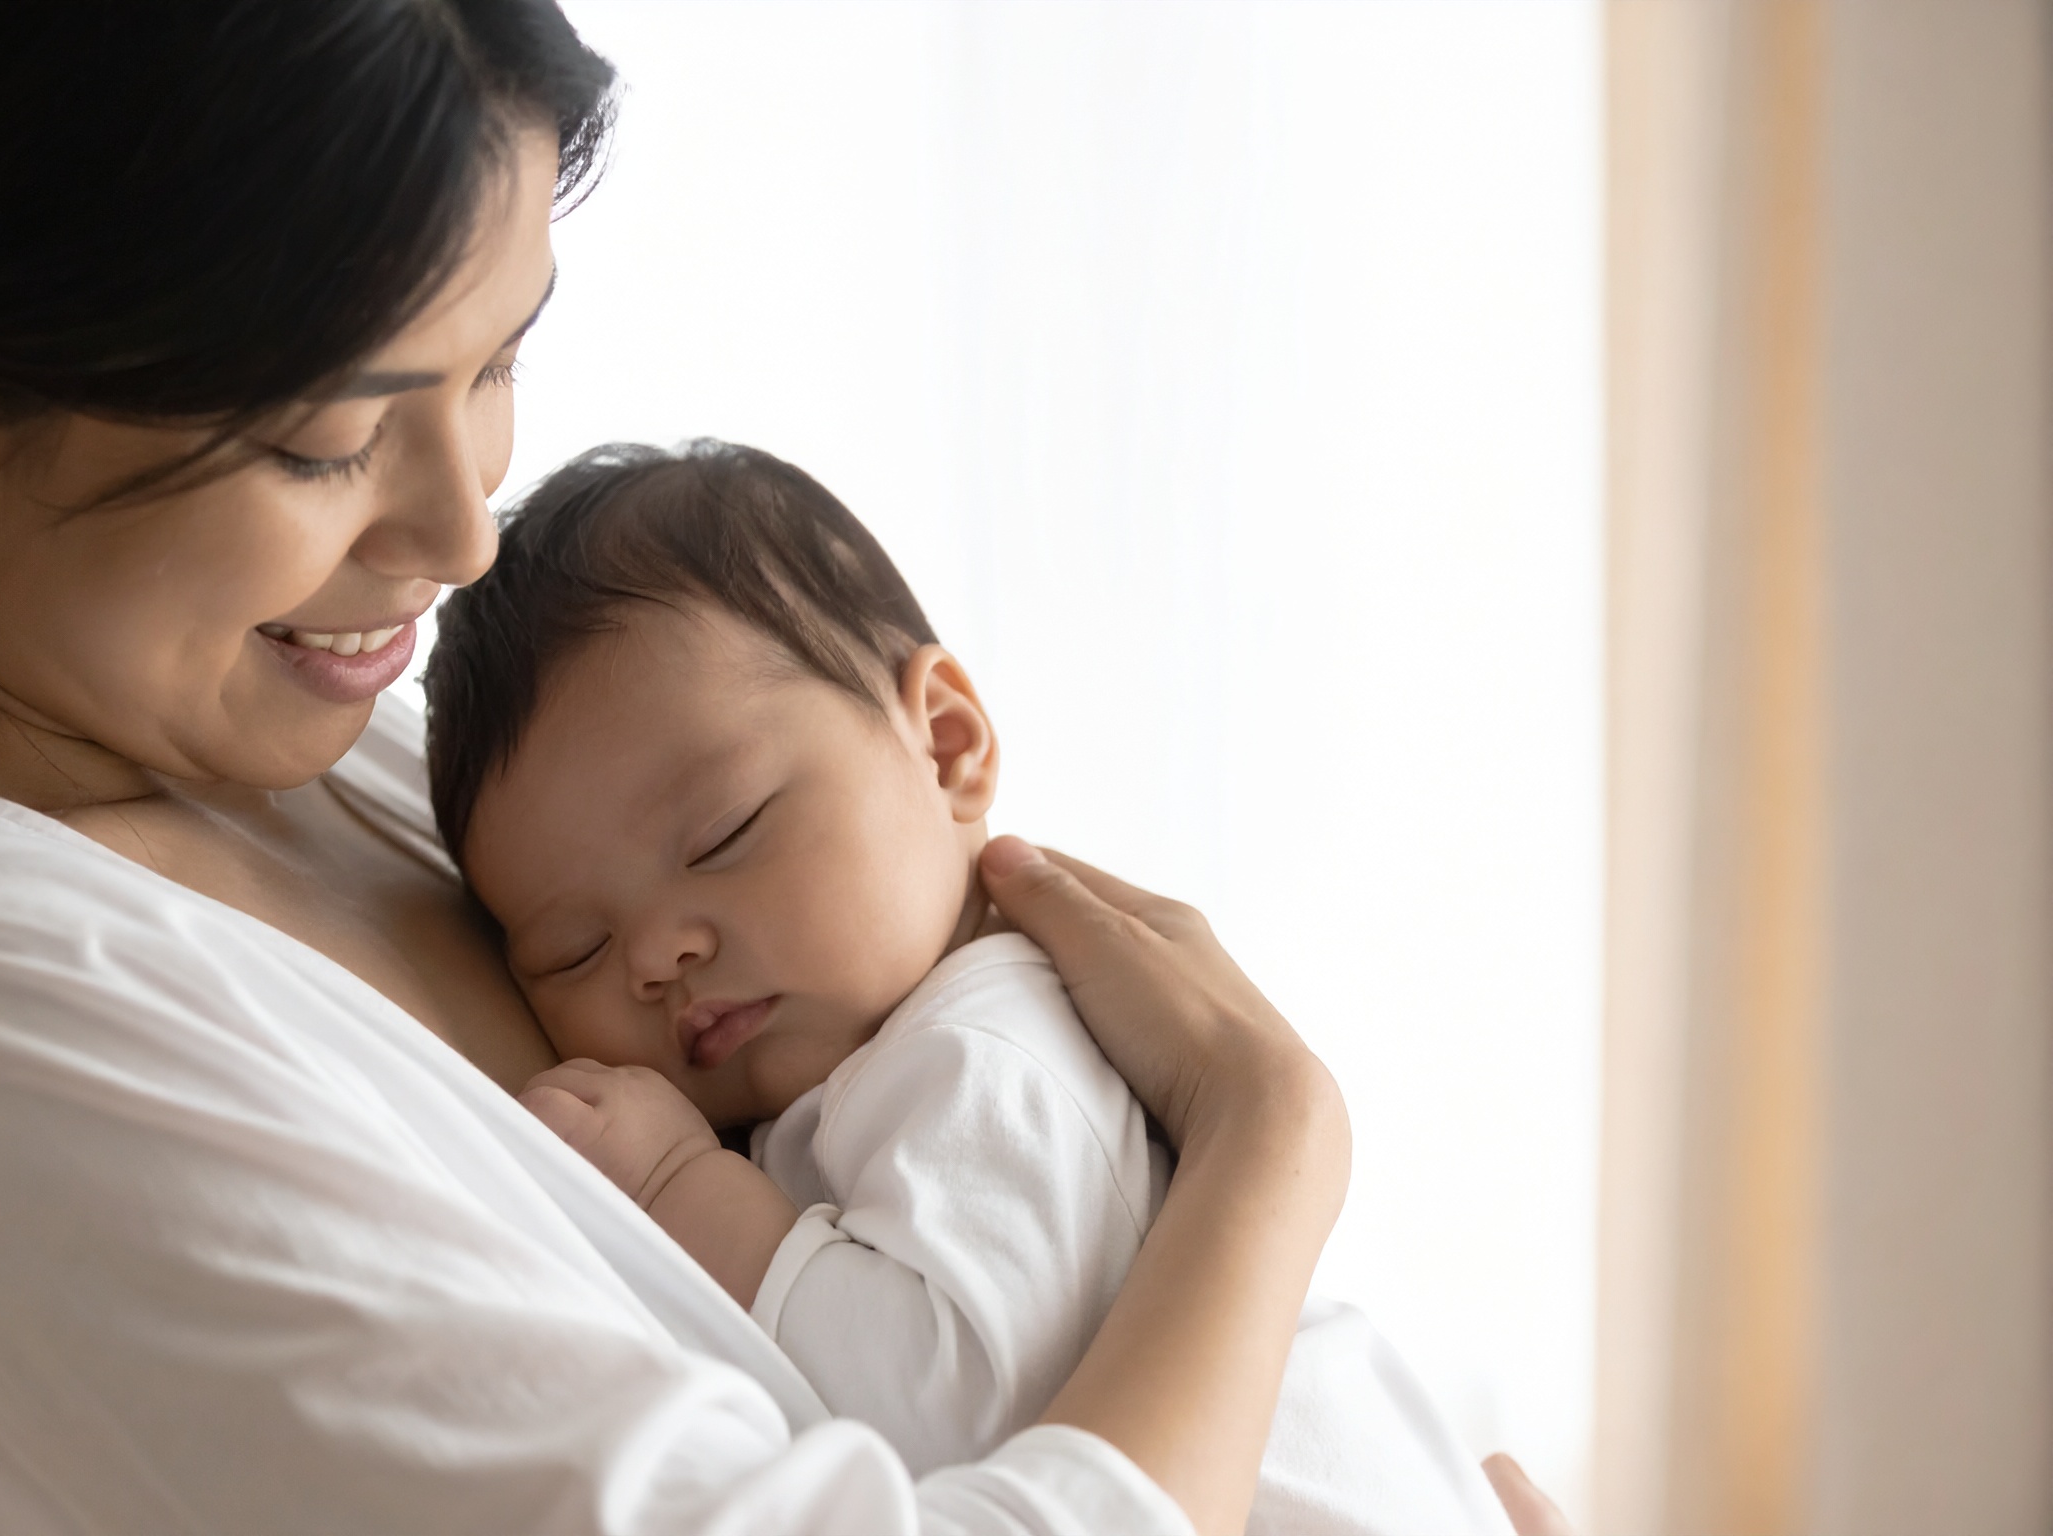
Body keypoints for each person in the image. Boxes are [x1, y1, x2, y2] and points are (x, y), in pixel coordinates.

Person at [0, 2, 1567, 1532]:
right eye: (326, 440)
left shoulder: (333, 759)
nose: (461, 528)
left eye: (495, 364)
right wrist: (1266, 1142)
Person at [422, 441, 1513, 1535]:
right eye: (573, 949)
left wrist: (678, 1188)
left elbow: (970, 1415)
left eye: (724, 834)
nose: (656, 956)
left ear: (945, 745)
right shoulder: (870, 1069)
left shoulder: (980, 1046)